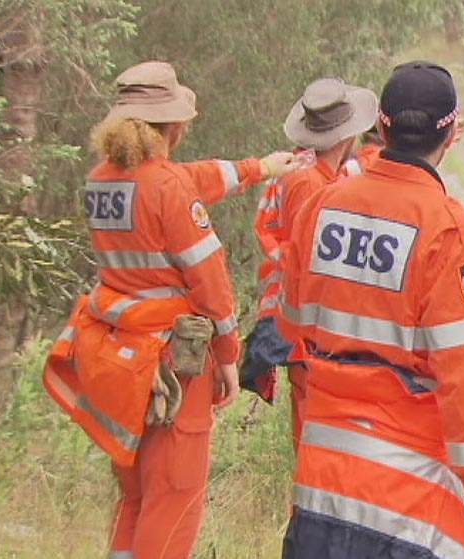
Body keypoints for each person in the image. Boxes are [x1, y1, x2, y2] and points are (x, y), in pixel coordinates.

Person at [43, 60, 298, 559]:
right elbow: (210, 280)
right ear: (173, 124)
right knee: (175, 498)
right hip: (171, 366)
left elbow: (186, 181)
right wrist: (227, 353)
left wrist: (259, 168)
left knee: (135, 496)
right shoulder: (167, 187)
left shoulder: (104, 180)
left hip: (119, 359)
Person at [278, 61, 464, 559]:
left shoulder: (321, 207)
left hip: (320, 474)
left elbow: (293, 323)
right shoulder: (449, 229)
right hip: (407, 496)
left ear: (382, 126)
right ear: (453, 133)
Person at [240, 77, 378, 451]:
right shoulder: (309, 183)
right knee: (314, 437)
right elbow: (312, 260)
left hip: (301, 319)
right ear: (347, 137)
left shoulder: (306, 171)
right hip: (307, 326)